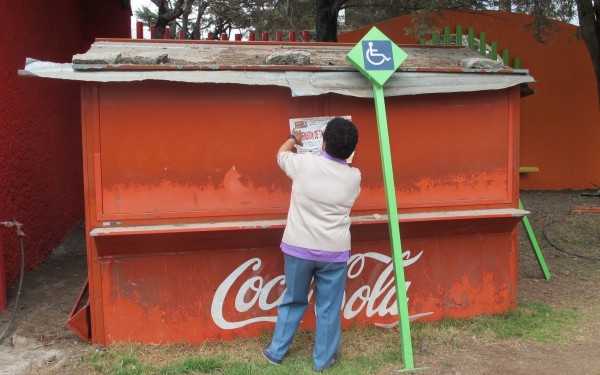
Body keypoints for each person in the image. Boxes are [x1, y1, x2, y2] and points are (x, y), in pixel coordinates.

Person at [262, 117, 361, 372]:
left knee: (293, 299)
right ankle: (323, 361)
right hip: (334, 252)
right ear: (351, 151)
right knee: (328, 308)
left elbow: (280, 154)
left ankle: (276, 353)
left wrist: (295, 138)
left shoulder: (303, 163)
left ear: (324, 142)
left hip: (298, 249)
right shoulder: (354, 177)